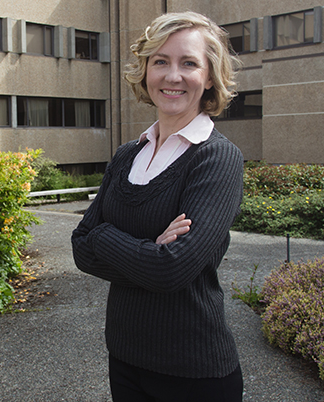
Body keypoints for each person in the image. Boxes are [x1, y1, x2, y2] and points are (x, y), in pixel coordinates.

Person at [71, 11, 244, 401]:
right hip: (126, 358)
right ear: (145, 70)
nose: (172, 76)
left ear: (210, 77)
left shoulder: (216, 159)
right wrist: (147, 251)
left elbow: (171, 270)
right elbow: (79, 247)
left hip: (194, 371)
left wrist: (104, 237)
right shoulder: (127, 155)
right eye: (160, 61)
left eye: (189, 63)